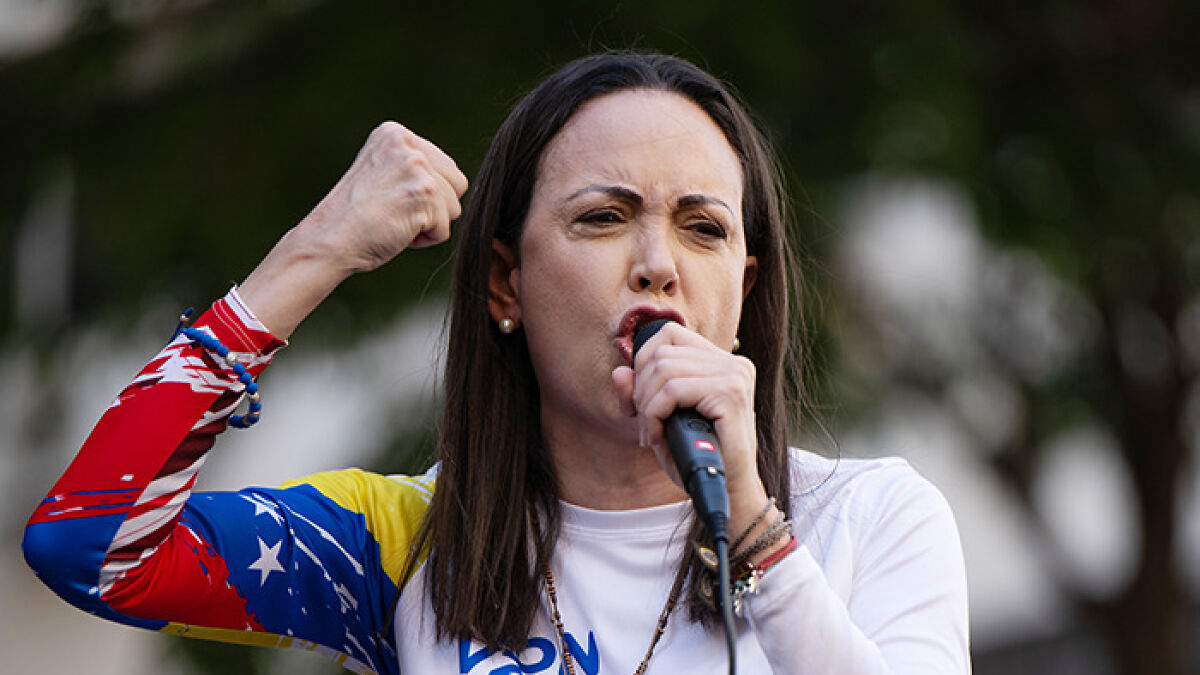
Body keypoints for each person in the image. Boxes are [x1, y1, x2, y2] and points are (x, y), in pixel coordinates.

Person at [23, 52, 970, 674]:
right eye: (602, 217)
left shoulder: (873, 521)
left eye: (703, 228)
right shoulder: (413, 543)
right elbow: (88, 546)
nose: (658, 263)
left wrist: (757, 530)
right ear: (505, 285)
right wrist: (315, 252)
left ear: (745, 292)